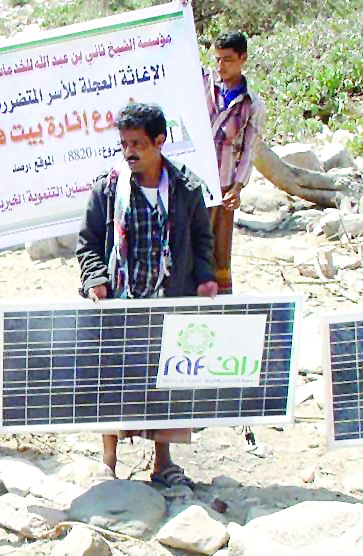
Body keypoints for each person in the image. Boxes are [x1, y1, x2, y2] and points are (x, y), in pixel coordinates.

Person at [76, 102, 218, 489]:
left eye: (137, 143)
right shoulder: (109, 188)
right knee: (112, 379)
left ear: (160, 141)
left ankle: (163, 461)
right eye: (124, 143)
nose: (129, 152)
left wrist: (205, 279)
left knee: (165, 381)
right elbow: (88, 243)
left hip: (169, 300)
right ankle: (108, 461)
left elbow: (203, 243)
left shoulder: (187, 189)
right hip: (121, 302)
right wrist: (95, 279)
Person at [204, 30, 265, 295]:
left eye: (227, 60)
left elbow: (249, 149)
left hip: (225, 184)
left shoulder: (252, 103)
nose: (221, 66)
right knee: (192, 246)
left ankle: (219, 307)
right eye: (217, 59)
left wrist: (237, 188)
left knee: (220, 251)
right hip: (196, 184)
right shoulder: (206, 85)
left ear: (243, 59)